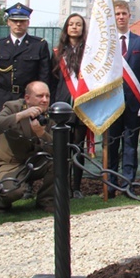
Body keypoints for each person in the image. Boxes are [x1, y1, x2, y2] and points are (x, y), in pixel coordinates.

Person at [107, 0, 140, 196]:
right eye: (117, 14)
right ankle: (109, 185)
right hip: (110, 105)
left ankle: (127, 185)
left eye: (124, 13)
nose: (120, 17)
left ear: (129, 16)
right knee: (110, 146)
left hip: (134, 105)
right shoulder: (106, 44)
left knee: (130, 147)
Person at [0, 81, 55, 213]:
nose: (44, 100)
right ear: (27, 98)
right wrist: (21, 115)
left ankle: (46, 200)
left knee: (61, 162)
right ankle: (3, 201)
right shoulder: (13, 107)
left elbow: (57, 149)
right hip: (10, 163)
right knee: (12, 192)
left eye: (47, 96)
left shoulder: (51, 113)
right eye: (40, 96)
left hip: (35, 161)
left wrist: (41, 134)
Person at [0, 3, 51, 114]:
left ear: (28, 23)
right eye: (15, 21)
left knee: (27, 130)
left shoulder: (38, 45)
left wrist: (40, 101)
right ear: (8, 22)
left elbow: (43, 76)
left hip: (28, 99)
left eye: (22, 21)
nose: (18, 24)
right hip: (2, 98)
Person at [50, 13, 89, 198]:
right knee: (62, 148)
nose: (75, 27)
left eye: (79, 24)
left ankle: (77, 187)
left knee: (78, 147)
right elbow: (53, 80)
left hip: (81, 104)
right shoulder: (58, 52)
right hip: (62, 103)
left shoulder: (89, 52)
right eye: (71, 24)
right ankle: (62, 185)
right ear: (66, 27)